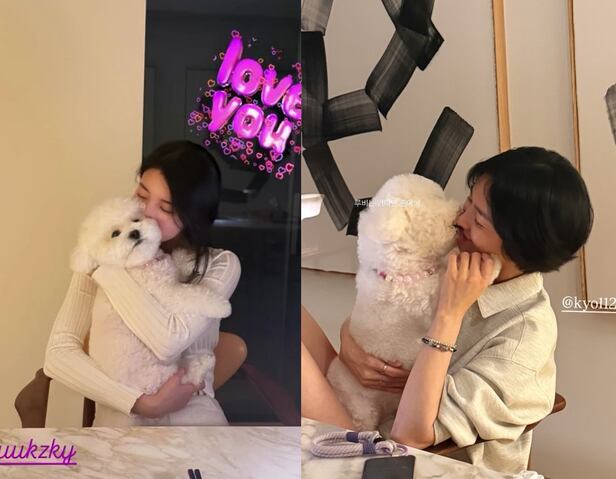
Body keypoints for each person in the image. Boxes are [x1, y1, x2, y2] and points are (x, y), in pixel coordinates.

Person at [301, 147, 593, 473]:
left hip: (410, 461)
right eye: (467, 203)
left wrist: (449, 314)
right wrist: (351, 346)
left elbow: (410, 434)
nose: (459, 220)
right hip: (368, 418)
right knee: (281, 306)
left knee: (279, 336)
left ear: (518, 246)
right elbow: (379, 313)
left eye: (478, 220)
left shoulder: (523, 341)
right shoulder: (455, 256)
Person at [44, 140, 243, 425]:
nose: (147, 213)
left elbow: (168, 342)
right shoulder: (104, 249)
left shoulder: (219, 264)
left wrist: (105, 270)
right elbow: (59, 354)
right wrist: (139, 403)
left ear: (192, 216)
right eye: (142, 195)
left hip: (195, 420)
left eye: (166, 207)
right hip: (121, 423)